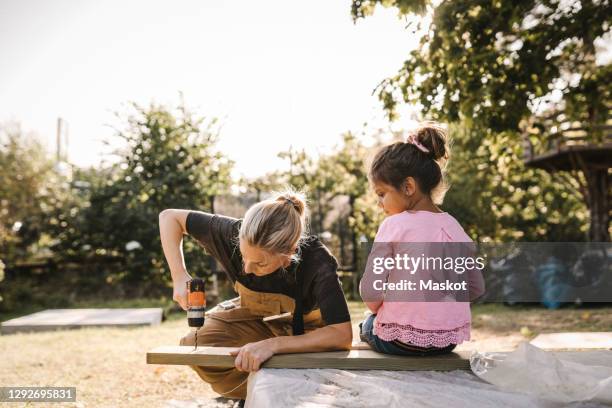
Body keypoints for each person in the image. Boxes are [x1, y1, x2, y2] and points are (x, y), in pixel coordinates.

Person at [159, 191, 352, 399]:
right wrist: (179, 276)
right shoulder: (231, 232)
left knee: (307, 380)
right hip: (255, 319)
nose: (248, 269)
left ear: (290, 251)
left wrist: (273, 346)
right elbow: (169, 217)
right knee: (194, 345)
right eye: (243, 256)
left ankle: (289, 391)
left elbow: (341, 334)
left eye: (260, 263)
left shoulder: (318, 261)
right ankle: (258, 394)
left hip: (306, 334)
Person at [359, 123, 485, 356]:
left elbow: (370, 289)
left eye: (381, 194)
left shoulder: (393, 225)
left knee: (367, 324)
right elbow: (476, 287)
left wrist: (378, 312)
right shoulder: (455, 228)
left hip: (398, 341)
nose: (380, 204)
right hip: (446, 342)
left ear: (408, 187)